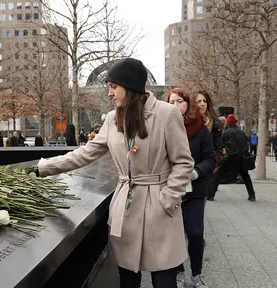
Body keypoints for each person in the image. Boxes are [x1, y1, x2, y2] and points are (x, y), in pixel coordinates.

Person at [34, 58, 194, 288]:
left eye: (113, 87)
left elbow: (183, 163)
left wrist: (168, 199)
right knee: (128, 280)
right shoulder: (112, 118)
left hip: (160, 208)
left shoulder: (166, 114)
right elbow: (85, 154)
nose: (109, 93)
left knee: (164, 280)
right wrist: (43, 167)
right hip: (126, 209)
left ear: (129, 87)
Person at [167, 88, 216, 288]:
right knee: (175, 234)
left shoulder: (200, 128)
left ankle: (197, 274)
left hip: (194, 190)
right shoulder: (162, 127)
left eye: (180, 101)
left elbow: (210, 157)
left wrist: (196, 172)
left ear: (188, 104)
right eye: (171, 102)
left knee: (195, 232)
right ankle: (178, 272)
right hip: (171, 190)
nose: (176, 106)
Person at [210, 114, 256, 201]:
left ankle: (211, 195)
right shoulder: (242, 132)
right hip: (241, 158)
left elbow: (221, 144)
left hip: (230, 157)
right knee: (246, 177)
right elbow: (246, 143)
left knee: (218, 175)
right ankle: (252, 195)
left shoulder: (226, 133)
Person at [192, 91, 223, 201]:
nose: (202, 104)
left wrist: (213, 166)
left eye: (204, 101)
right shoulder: (188, 123)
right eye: (199, 101)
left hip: (206, 171)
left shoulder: (214, 124)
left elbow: (218, 148)